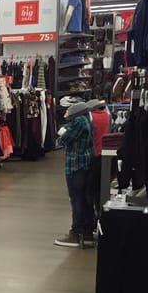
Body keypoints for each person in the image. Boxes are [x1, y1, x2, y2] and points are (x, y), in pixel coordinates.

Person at [55, 101, 96, 249]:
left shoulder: (78, 122)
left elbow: (62, 139)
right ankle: (87, 233)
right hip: (85, 163)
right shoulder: (87, 119)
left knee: (76, 200)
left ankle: (76, 233)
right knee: (85, 200)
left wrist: (62, 131)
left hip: (75, 164)